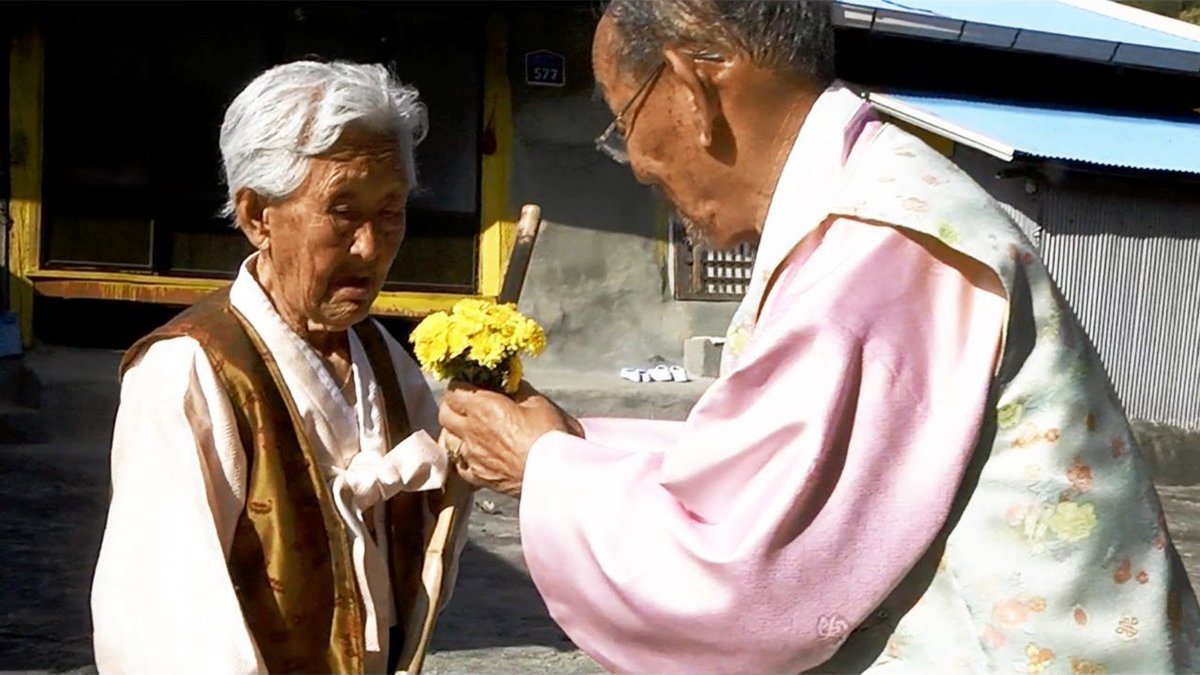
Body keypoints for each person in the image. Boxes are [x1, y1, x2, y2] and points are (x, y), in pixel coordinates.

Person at [438, 1, 1200, 672]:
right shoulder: (873, 202)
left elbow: (742, 579)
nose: (636, 164)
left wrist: (544, 465)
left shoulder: (875, 246)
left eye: (623, 119)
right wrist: (576, 445)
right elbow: (779, 465)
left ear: (693, 86)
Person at [91, 61, 467, 674]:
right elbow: (166, 620)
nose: (370, 247)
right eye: (343, 211)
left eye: (391, 212)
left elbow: (431, 528)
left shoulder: (381, 357)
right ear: (256, 216)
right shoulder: (187, 371)